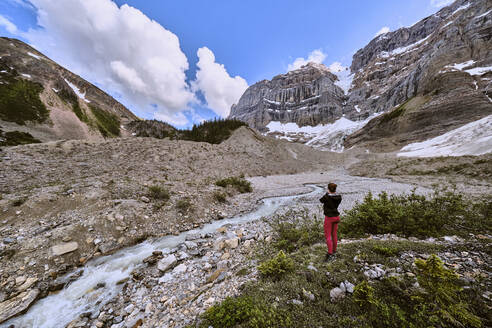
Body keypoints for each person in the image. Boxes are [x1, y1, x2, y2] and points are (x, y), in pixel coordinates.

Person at [319, 182, 342, 261]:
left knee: (328, 236)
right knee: (334, 235)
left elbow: (321, 200)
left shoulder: (326, 197)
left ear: (328, 189)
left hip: (329, 218)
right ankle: (334, 251)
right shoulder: (339, 197)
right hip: (336, 217)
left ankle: (330, 254)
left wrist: (327, 193)